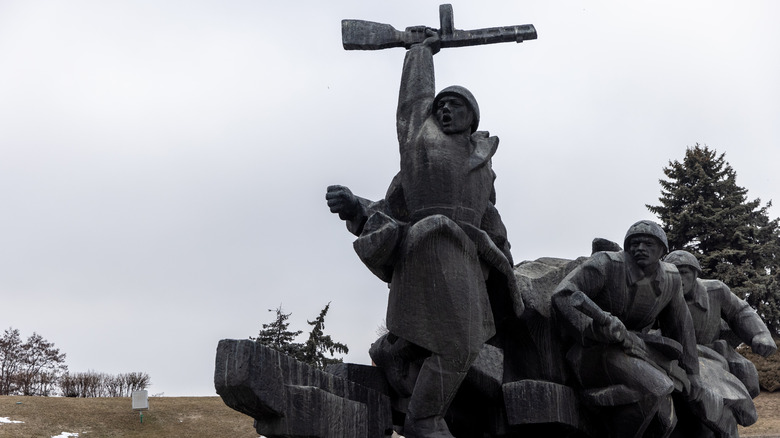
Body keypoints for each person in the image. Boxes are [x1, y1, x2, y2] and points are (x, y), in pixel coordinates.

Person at [326, 31, 521, 438]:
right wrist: (419, 52)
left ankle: (395, 354)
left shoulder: (483, 164)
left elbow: (490, 217)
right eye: (442, 105)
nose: (446, 110)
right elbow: (412, 107)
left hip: (470, 253)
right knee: (459, 343)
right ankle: (424, 420)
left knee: (465, 342)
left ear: (473, 117)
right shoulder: (421, 144)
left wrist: (503, 260)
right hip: (429, 242)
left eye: (456, 105)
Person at [552, 220, 703, 438]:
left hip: (638, 351)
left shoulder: (670, 279)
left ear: (662, 249)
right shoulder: (607, 263)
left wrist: (693, 372)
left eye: (648, 243)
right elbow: (564, 294)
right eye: (634, 243)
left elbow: (681, 325)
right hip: (593, 352)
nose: (640, 248)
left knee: (665, 417)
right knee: (655, 387)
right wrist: (592, 329)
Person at [664, 250, 777, 437]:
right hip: (676, 359)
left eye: (684, 272)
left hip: (711, 356)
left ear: (695, 274)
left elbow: (740, 311)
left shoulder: (715, 290)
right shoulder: (661, 294)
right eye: (674, 272)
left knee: (729, 388)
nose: (679, 278)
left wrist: (760, 335)